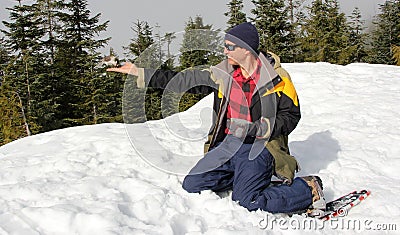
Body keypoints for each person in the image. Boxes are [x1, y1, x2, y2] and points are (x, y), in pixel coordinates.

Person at [108, 22, 325, 214]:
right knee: (192, 184)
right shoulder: (222, 74)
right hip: (227, 146)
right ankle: (243, 177)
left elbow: (291, 115)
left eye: (230, 46)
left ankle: (307, 189)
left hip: (260, 148)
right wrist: (139, 72)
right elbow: (182, 80)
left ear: (246, 49)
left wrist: (260, 128)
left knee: (246, 201)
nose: (224, 50)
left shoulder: (278, 79)